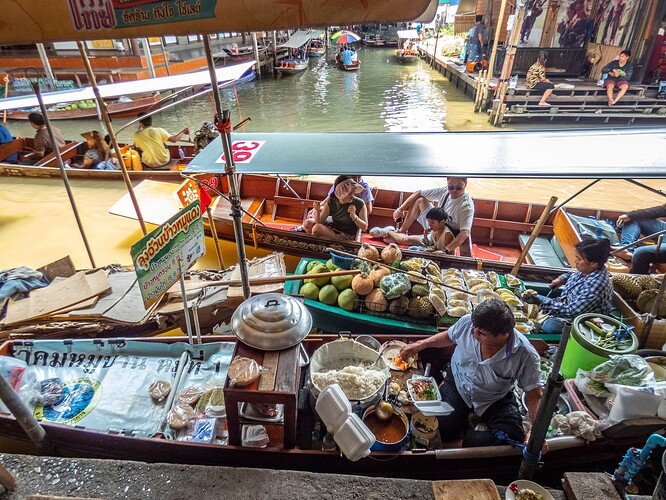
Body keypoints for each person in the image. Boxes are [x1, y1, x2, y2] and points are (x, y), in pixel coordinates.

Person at [399, 299, 542, 448]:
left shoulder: (525, 354)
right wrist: (419, 345)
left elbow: (534, 396)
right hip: (458, 384)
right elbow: (449, 336)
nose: (473, 332)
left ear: (503, 335)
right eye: (474, 327)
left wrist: (537, 432)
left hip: (494, 398)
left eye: (481, 333)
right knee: (443, 428)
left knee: (513, 436)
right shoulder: (469, 323)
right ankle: (466, 429)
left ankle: (465, 441)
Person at [523, 238, 613, 335]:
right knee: (527, 297)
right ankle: (544, 315)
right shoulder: (587, 270)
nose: (575, 261)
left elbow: (572, 312)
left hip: (578, 321)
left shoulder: (597, 284)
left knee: (550, 326)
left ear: (593, 263)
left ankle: (544, 319)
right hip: (563, 304)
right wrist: (561, 279)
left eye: (578, 259)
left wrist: (541, 303)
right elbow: (572, 274)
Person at [370, 177, 474, 256]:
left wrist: (444, 250)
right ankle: (398, 231)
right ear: (447, 183)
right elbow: (419, 192)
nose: (454, 190)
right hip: (435, 228)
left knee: (393, 240)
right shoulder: (444, 192)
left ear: (465, 184)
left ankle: (391, 233)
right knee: (420, 200)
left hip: (445, 236)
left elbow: (464, 233)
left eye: (459, 187)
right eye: (450, 186)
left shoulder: (466, 206)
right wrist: (400, 209)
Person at [302, 176, 368, 240]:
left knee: (317, 228)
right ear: (341, 193)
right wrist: (318, 210)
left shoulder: (360, 203)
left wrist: (354, 216)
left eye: (353, 192)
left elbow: (364, 228)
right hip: (335, 227)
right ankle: (315, 244)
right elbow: (319, 221)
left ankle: (320, 244)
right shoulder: (332, 201)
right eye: (350, 193)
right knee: (308, 223)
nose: (353, 196)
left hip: (346, 235)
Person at [382, 207, 454, 253]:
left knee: (402, 241)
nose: (430, 225)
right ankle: (388, 231)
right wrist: (425, 235)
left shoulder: (447, 235)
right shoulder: (435, 230)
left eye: (432, 223)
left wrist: (432, 251)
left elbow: (447, 254)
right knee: (404, 240)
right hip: (430, 246)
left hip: (438, 255)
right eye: (429, 222)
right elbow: (428, 243)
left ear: (442, 222)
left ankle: (389, 232)